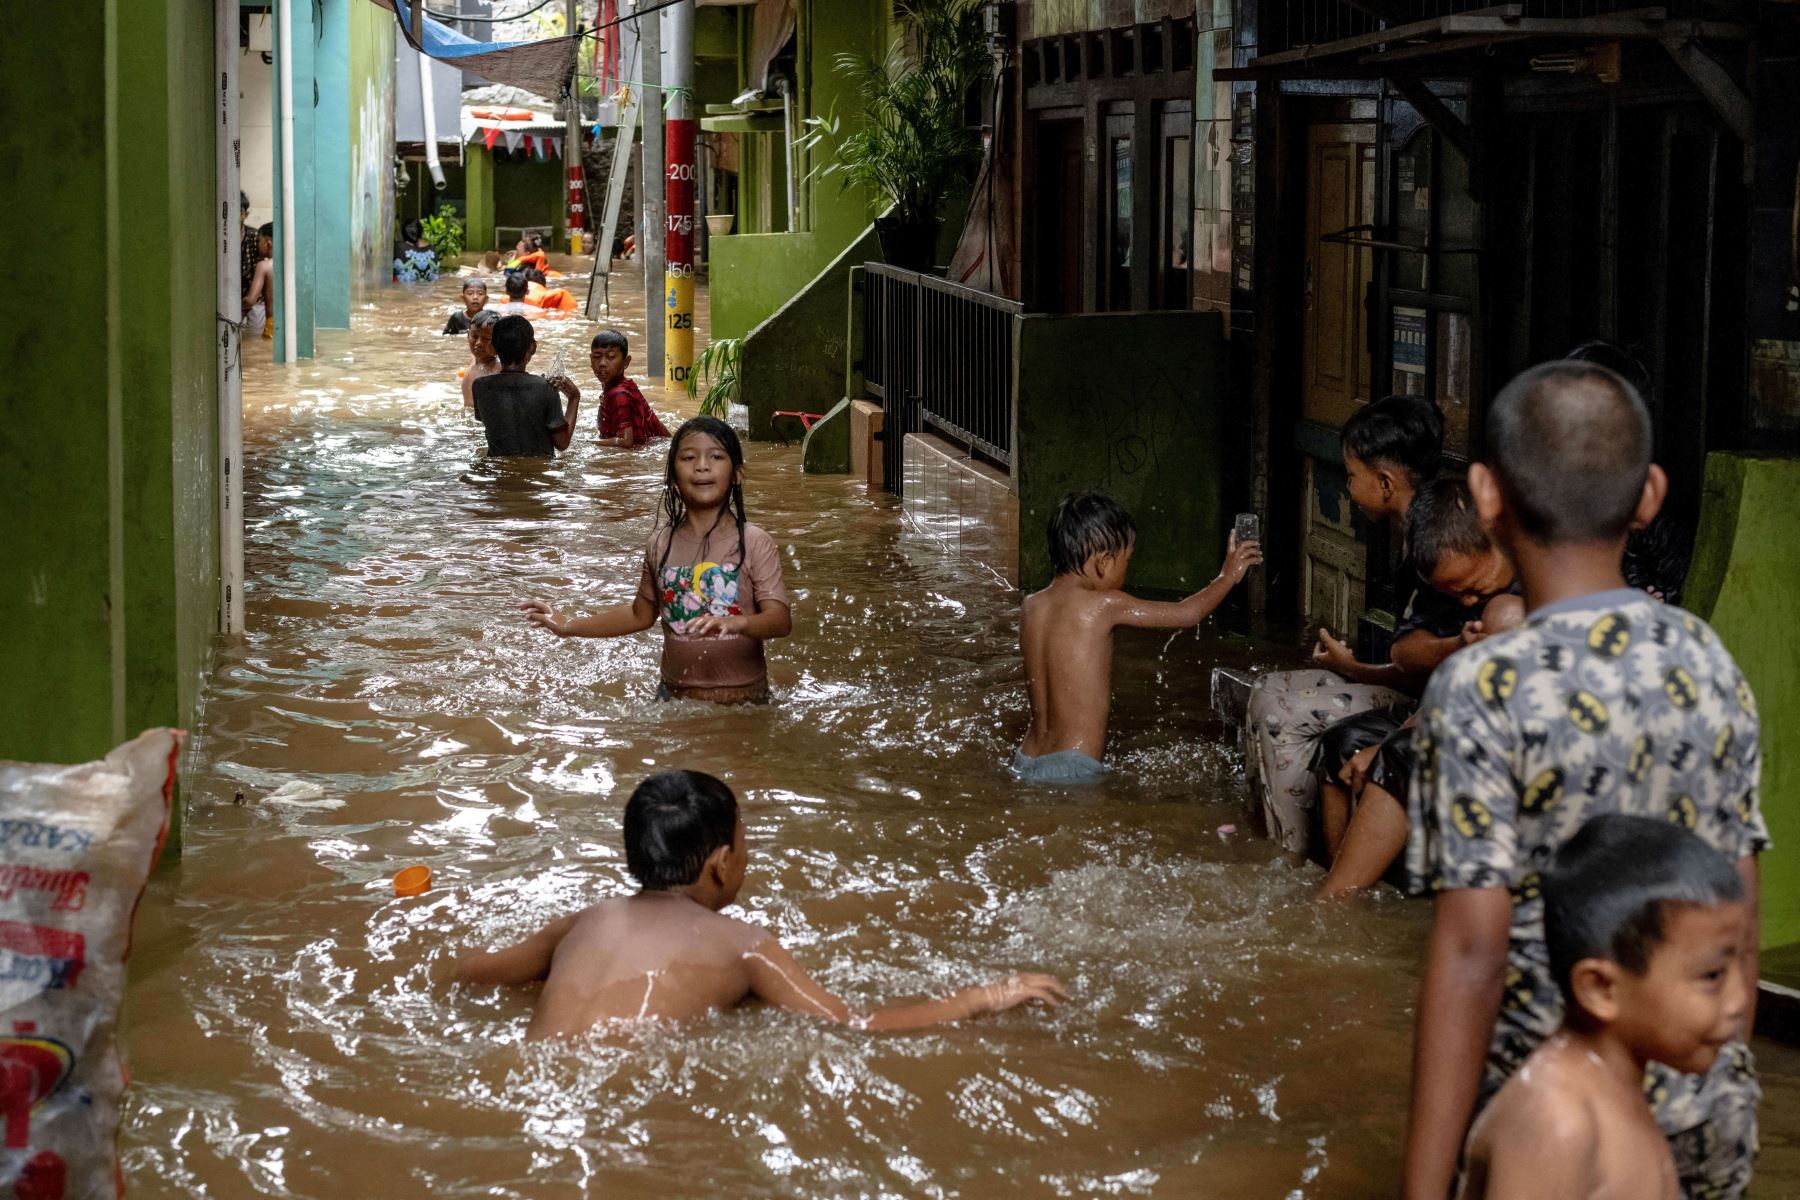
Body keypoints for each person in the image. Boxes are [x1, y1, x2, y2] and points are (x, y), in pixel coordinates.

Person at [1401, 361, 1767, 1200]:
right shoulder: (1708, 659)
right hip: (1702, 1105)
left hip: (1556, 1126)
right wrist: (1716, 1080)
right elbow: (1738, 899)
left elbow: (1470, 952)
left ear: (1487, 497)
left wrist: (1421, 1188)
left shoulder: (1485, 686)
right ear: (1650, 497)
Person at [451, 770, 1066, 1038]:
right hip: (620, 1091)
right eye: (745, 844)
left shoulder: (584, 922)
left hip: (530, 1072)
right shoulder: (743, 944)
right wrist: (979, 998)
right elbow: (849, 1025)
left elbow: (474, 974)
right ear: (721, 866)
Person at [1458, 815, 1749, 1200]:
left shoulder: (1615, 1091)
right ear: (1600, 989)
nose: (1740, 999)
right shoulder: (1557, 1124)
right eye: (1712, 976)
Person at [1244, 395, 1462, 850]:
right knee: (1267, 689)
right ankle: (1280, 836)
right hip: (1418, 696)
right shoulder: (1415, 532)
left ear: (1385, 482)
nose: (1346, 487)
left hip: (1436, 711)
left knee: (1282, 715)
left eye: (1351, 475)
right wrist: (1353, 668)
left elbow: (1442, 670)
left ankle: (1294, 852)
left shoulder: (1440, 545)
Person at [1313, 478, 1518, 897]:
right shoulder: (1440, 580)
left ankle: (1336, 897)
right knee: (1340, 744)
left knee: (1393, 757)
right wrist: (1455, 646)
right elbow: (1407, 653)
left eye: (1469, 588)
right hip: (1444, 707)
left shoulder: (1514, 605)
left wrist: (1404, 735)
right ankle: (1343, 882)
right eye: (1452, 593)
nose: (1464, 603)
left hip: (1496, 726)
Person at [519, 417, 792, 703]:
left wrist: (739, 624)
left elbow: (780, 621)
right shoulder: (660, 544)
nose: (702, 465)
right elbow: (640, 614)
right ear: (673, 475)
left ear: (737, 474)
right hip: (675, 699)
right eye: (688, 457)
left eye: (716, 456)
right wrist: (567, 625)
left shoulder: (753, 541)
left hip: (745, 700)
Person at [1013, 493, 1261, 783]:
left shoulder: (1031, 606)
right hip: (1074, 764)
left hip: (1025, 758)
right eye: (1126, 561)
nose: (1126, 569)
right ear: (1103, 563)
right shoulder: (1103, 605)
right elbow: (1186, 613)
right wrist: (1227, 576)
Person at [468, 315, 580, 458]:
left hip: (498, 472)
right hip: (539, 472)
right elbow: (562, 443)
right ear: (532, 348)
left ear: (492, 348)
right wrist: (574, 398)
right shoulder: (545, 387)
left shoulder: (480, 386)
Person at [591, 330, 669, 448]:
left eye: (610, 357)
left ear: (626, 362)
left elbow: (626, 441)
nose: (602, 363)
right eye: (597, 357)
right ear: (590, 359)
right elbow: (652, 419)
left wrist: (588, 443)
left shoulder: (618, 394)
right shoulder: (628, 385)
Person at [460, 310, 501, 408]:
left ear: (499, 340)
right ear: (467, 335)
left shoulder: (498, 370)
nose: (478, 343)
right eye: (474, 336)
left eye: (486, 338)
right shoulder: (473, 359)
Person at [242, 223, 274, 342]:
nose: (257, 245)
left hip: (273, 325)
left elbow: (250, 300)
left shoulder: (264, 266)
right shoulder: (292, 265)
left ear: (268, 243)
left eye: (259, 241)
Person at [393, 218, 439, 283]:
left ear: (403, 233)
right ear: (421, 233)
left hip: (405, 290)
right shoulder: (433, 250)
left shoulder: (397, 248)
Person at [239, 191, 258, 299]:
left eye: (239, 211)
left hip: (250, 295)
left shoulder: (254, 236)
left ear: (246, 214)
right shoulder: (220, 236)